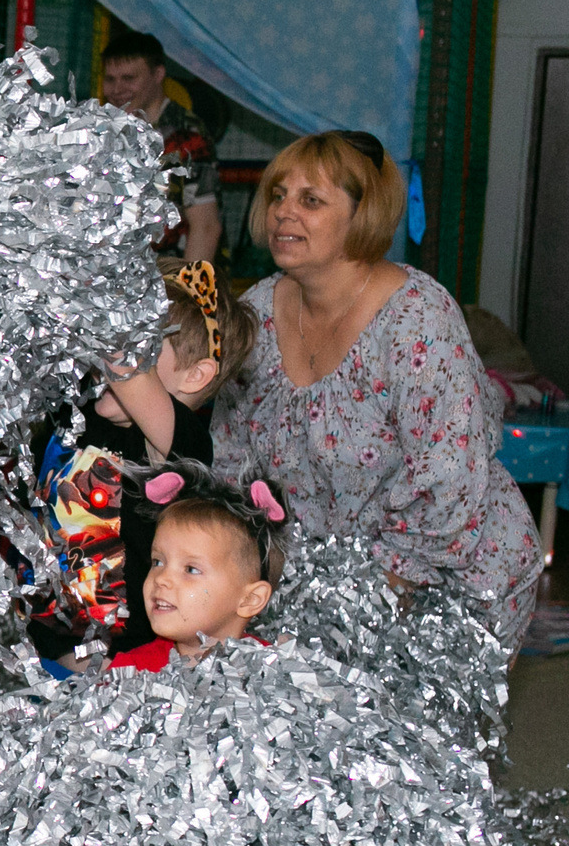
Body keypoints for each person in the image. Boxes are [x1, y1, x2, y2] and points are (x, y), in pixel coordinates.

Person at [212, 132, 543, 645]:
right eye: (278, 195)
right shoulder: (257, 311)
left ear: (361, 215)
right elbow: (231, 455)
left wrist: (364, 599)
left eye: (310, 200)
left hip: (451, 579)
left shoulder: (417, 317)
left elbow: (448, 481)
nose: (283, 212)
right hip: (322, 591)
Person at [26, 263, 250, 665]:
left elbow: (126, 371)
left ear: (195, 376)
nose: (105, 354)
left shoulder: (177, 445)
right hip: (48, 639)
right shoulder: (80, 415)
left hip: (129, 661)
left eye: (142, 343)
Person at [108, 464, 287, 671]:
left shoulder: (275, 673)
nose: (161, 578)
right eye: (158, 562)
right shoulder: (128, 673)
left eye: (191, 569)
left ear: (250, 599)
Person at [100, 30, 221, 264]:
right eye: (110, 79)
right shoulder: (109, 130)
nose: (117, 90)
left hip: (167, 274)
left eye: (129, 78)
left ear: (158, 75)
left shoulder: (185, 135)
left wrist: (184, 292)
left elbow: (205, 226)